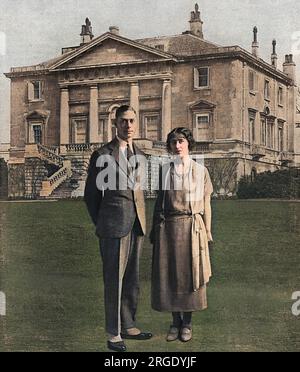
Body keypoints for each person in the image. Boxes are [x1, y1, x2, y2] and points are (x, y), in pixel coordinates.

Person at [84, 105, 152, 352]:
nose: (129, 125)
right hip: (113, 226)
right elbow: (91, 195)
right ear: (116, 123)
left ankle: (128, 325)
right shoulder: (102, 154)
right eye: (124, 121)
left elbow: (139, 192)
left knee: (132, 278)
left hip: (137, 224)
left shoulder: (141, 154)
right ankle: (113, 333)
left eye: (132, 121)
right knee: (114, 280)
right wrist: (102, 222)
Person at [150, 127, 214, 343]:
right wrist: (153, 228)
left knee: (189, 275)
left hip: (192, 227)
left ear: (188, 143)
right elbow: (159, 202)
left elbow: (206, 203)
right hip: (168, 227)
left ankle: (187, 323)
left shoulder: (200, 171)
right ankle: (174, 321)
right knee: (169, 275)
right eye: (173, 142)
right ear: (169, 146)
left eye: (181, 141)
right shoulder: (164, 170)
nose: (177, 146)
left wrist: (208, 230)